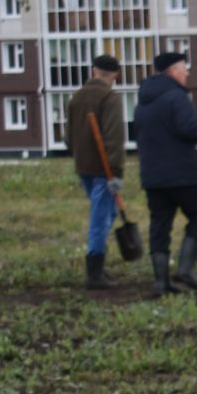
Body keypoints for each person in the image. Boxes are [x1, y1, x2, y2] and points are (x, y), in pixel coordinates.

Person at [132, 50, 197, 297]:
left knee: (159, 225)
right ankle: (185, 269)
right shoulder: (176, 97)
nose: (187, 72)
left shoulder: (142, 102)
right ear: (173, 71)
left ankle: (161, 282)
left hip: (152, 176)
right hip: (182, 173)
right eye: (184, 68)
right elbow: (189, 129)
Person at [66, 53, 126, 291]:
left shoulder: (77, 97)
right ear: (115, 75)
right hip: (104, 170)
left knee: (107, 214)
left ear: (93, 70)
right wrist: (116, 172)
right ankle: (94, 272)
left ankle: (98, 265)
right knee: (100, 218)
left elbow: (68, 138)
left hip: (84, 168)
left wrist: (79, 155)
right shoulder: (109, 98)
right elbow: (114, 137)